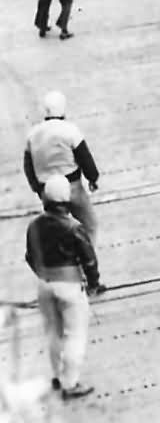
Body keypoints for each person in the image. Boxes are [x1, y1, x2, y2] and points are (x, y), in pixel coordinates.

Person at [25, 174, 104, 399]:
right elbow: (89, 259)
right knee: (75, 335)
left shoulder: (34, 225)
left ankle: (57, 376)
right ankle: (70, 384)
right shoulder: (74, 227)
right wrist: (93, 282)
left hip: (44, 284)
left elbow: (29, 256)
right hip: (69, 286)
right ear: (66, 199)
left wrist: (43, 274)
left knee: (53, 332)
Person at [24, 91, 101, 242]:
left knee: (57, 227)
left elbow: (28, 166)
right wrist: (93, 178)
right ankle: (86, 252)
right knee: (89, 225)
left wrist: (37, 188)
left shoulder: (32, 134)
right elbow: (84, 157)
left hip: (46, 189)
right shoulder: (70, 130)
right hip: (72, 186)